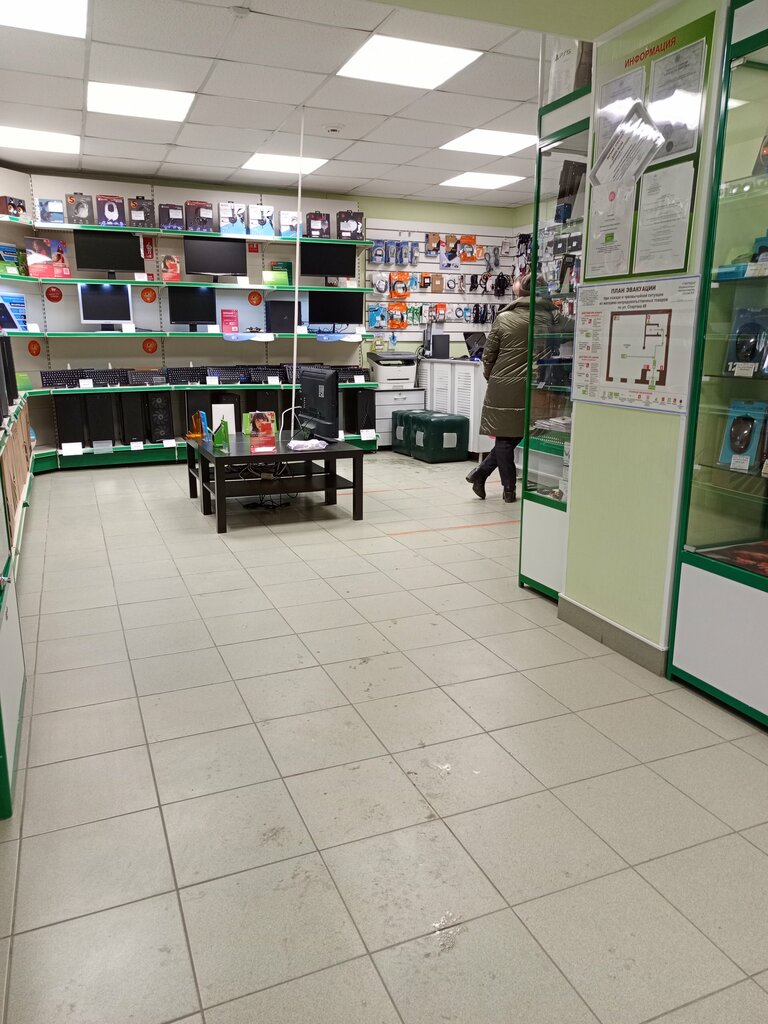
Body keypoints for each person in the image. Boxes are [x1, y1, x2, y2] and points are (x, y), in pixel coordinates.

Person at [467, 272, 571, 502]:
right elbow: (576, 328)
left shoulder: (504, 318)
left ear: (518, 293)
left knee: (507, 437)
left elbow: (488, 356)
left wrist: (493, 378)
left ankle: (490, 480)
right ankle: (498, 484)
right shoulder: (552, 317)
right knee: (513, 436)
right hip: (537, 384)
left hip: (503, 384)